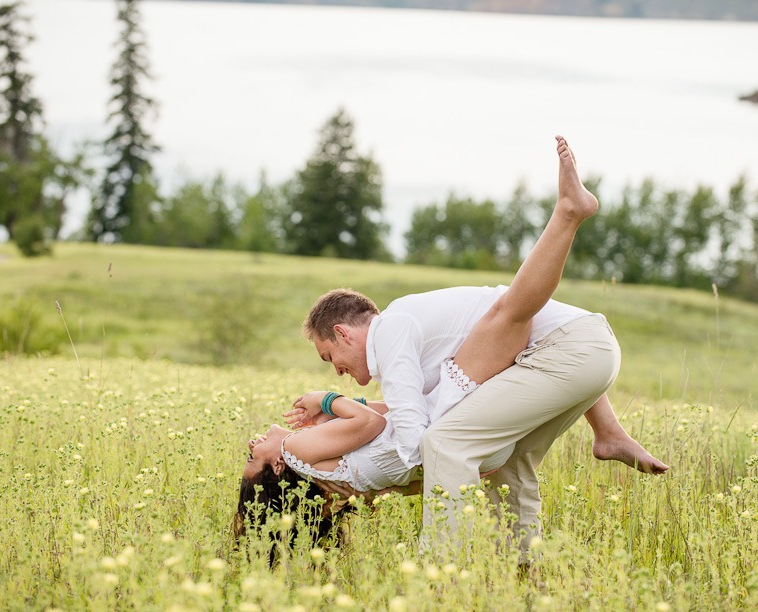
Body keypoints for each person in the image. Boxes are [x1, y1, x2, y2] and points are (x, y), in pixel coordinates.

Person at [236, 137, 667, 549]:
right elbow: (398, 419)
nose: (337, 371)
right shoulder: (415, 347)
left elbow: (405, 431)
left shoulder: (392, 330)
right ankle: (523, 567)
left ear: (345, 333)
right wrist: (368, 476)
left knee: (449, 434)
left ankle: (443, 567)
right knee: (507, 464)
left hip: (571, 350)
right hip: (585, 354)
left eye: (331, 356)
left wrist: (375, 465)